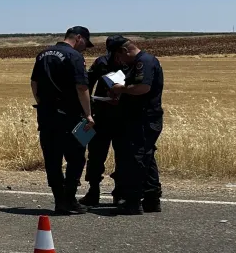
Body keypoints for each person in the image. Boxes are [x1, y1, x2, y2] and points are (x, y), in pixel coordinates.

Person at [30, 27, 95, 216]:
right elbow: (82, 86)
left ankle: (60, 200)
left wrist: (42, 103)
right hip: (71, 115)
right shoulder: (74, 56)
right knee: (76, 158)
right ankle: (69, 198)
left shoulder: (42, 54)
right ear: (79, 38)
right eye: (85, 44)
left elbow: (34, 83)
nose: (85, 49)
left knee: (52, 159)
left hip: (46, 115)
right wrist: (88, 114)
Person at [109, 36, 165, 215]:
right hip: (142, 118)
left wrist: (121, 89)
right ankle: (151, 198)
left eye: (120, 57)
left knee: (137, 158)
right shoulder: (140, 62)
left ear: (125, 51)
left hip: (143, 118)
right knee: (147, 157)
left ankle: (133, 201)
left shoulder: (144, 62)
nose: (120, 61)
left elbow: (143, 88)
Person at [80, 37, 127, 206]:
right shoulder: (101, 62)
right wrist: (88, 109)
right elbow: (87, 84)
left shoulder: (130, 62)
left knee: (123, 156)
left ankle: (120, 193)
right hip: (101, 115)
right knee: (96, 156)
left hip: (123, 117)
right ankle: (93, 191)